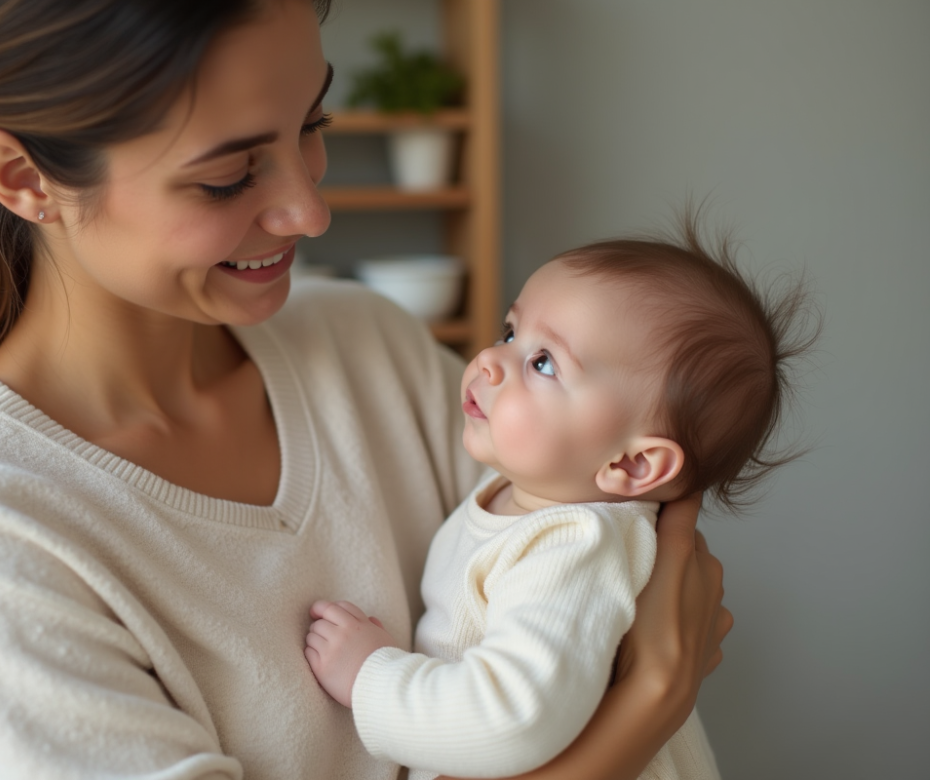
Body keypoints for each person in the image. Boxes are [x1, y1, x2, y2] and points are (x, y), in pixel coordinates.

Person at [0, 0, 732, 777]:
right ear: (23, 178)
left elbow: (588, 603)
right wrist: (649, 701)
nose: (310, 209)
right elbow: (631, 673)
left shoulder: (367, 348)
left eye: (314, 126)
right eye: (229, 174)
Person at [304, 226, 814, 780]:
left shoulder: (574, 548)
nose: (489, 361)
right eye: (510, 331)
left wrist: (370, 676)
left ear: (631, 465)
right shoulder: (523, 493)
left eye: (543, 362)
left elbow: (511, 716)